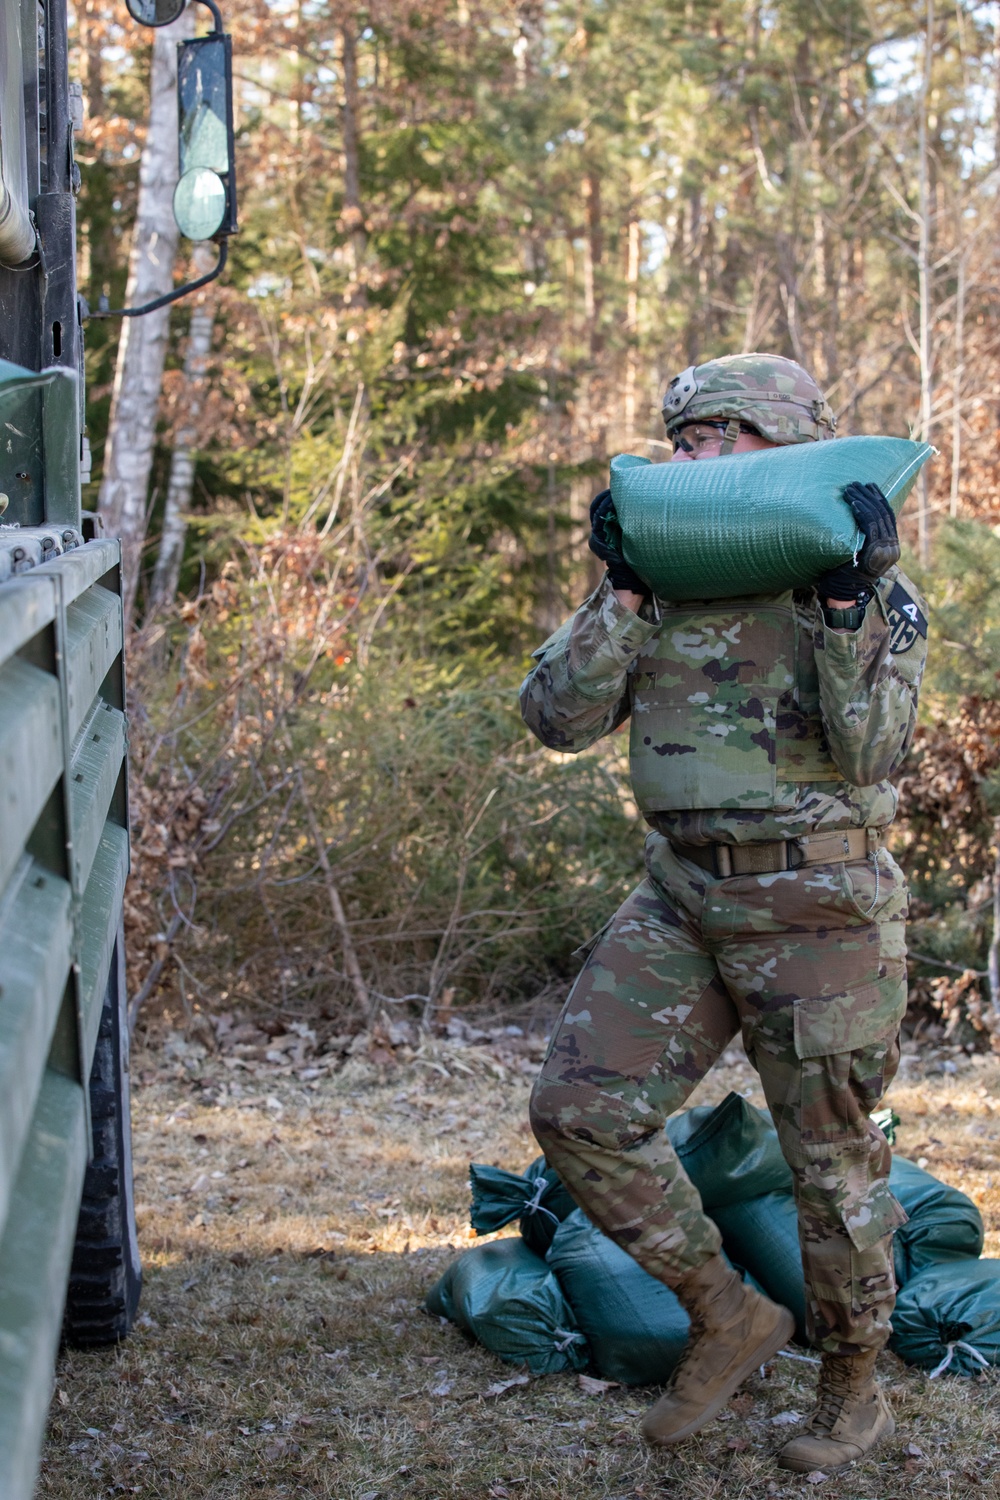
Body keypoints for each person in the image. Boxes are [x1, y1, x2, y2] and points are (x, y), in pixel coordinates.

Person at [520, 354, 928, 1473]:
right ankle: (725, 1312)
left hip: (820, 902)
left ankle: (851, 1386)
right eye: (683, 436)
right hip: (681, 890)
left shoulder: (858, 584)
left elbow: (876, 749)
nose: (694, 454)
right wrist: (619, 597)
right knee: (580, 1111)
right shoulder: (659, 577)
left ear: (783, 446)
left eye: (720, 434)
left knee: (831, 1163)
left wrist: (848, 609)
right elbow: (555, 718)